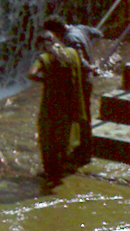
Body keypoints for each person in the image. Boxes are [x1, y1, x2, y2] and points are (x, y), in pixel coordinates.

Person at [27, 30, 88, 180]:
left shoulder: (44, 58)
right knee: (65, 134)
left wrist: (46, 80)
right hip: (72, 102)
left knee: (48, 136)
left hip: (52, 104)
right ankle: (63, 165)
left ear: (43, 45)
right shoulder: (72, 53)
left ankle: (51, 171)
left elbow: (31, 74)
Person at [42, 15, 103, 166]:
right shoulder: (80, 28)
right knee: (83, 113)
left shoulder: (70, 39)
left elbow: (79, 59)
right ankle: (82, 146)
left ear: (55, 31)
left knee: (81, 114)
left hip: (81, 80)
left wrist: (90, 67)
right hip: (86, 78)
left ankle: (85, 149)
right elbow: (98, 33)